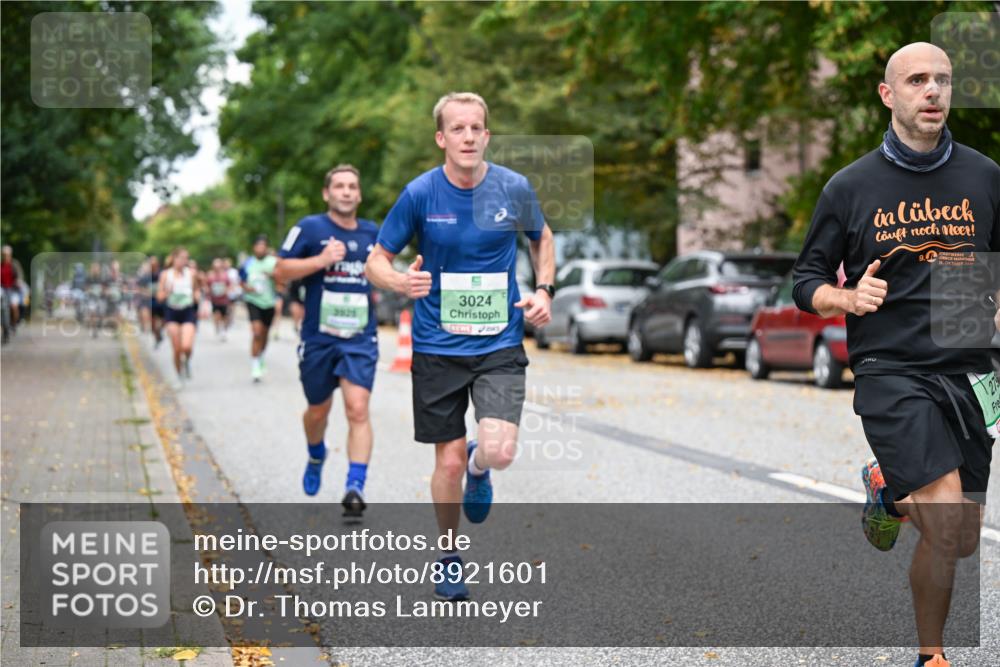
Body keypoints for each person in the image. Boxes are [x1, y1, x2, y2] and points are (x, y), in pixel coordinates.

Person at [792, 43, 999, 667]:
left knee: (959, 538)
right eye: (917, 80)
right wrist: (849, 297)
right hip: (890, 367)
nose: (932, 91)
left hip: (968, 366)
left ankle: (886, 488)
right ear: (889, 95)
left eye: (942, 80)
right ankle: (932, 656)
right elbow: (806, 280)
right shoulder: (852, 186)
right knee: (940, 515)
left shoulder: (985, 176)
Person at [365, 92, 555, 601]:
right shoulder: (420, 194)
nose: (468, 137)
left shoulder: (513, 188)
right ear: (441, 138)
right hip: (436, 347)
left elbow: (542, 238)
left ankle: (480, 466)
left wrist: (544, 289)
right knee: (443, 462)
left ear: (487, 135)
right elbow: (376, 260)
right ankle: (448, 556)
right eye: (458, 128)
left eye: (477, 128)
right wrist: (401, 282)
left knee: (501, 451)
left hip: (499, 343)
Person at [275, 164, 379, 518]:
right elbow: (280, 269)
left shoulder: (373, 234)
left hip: (359, 339)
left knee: (358, 408)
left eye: (353, 186)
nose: (347, 191)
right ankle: (316, 452)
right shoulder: (309, 228)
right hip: (318, 338)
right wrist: (321, 260)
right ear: (327, 193)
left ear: (359, 194)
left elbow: (385, 271)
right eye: (339, 186)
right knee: (318, 410)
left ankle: (355, 484)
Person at [157, 247, 200, 387]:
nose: (184, 261)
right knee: (176, 349)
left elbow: (196, 291)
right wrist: (167, 292)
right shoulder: (165, 275)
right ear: (174, 259)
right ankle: (179, 376)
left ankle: (186, 361)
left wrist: (197, 297)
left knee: (186, 346)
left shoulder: (191, 274)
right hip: (172, 312)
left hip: (187, 311)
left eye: (186, 258)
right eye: (181, 258)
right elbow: (159, 297)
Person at [240, 235, 279, 381]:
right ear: (254, 248)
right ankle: (255, 364)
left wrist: (273, 276)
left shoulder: (274, 262)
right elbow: (241, 281)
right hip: (253, 301)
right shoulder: (248, 263)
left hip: (269, 302)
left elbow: (282, 280)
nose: (260, 248)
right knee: (256, 332)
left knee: (265, 333)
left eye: (263, 246)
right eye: (258, 246)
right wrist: (247, 288)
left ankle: (261, 355)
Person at [206, 258, 232, 341]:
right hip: (214, 300)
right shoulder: (210, 275)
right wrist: (208, 293)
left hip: (224, 300)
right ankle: (217, 328)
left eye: (218, 266)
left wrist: (227, 291)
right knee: (217, 315)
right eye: (215, 266)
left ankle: (224, 329)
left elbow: (229, 285)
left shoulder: (225, 275)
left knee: (225, 317)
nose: (217, 268)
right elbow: (207, 285)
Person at [0, 246, 24, 332]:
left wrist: (19, 281)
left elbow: (20, 275)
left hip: (13, 289)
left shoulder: (14, 264)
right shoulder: (1, 264)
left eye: (7, 254)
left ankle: (14, 323)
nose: (5, 256)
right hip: (2, 288)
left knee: (14, 306)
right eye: (3, 254)